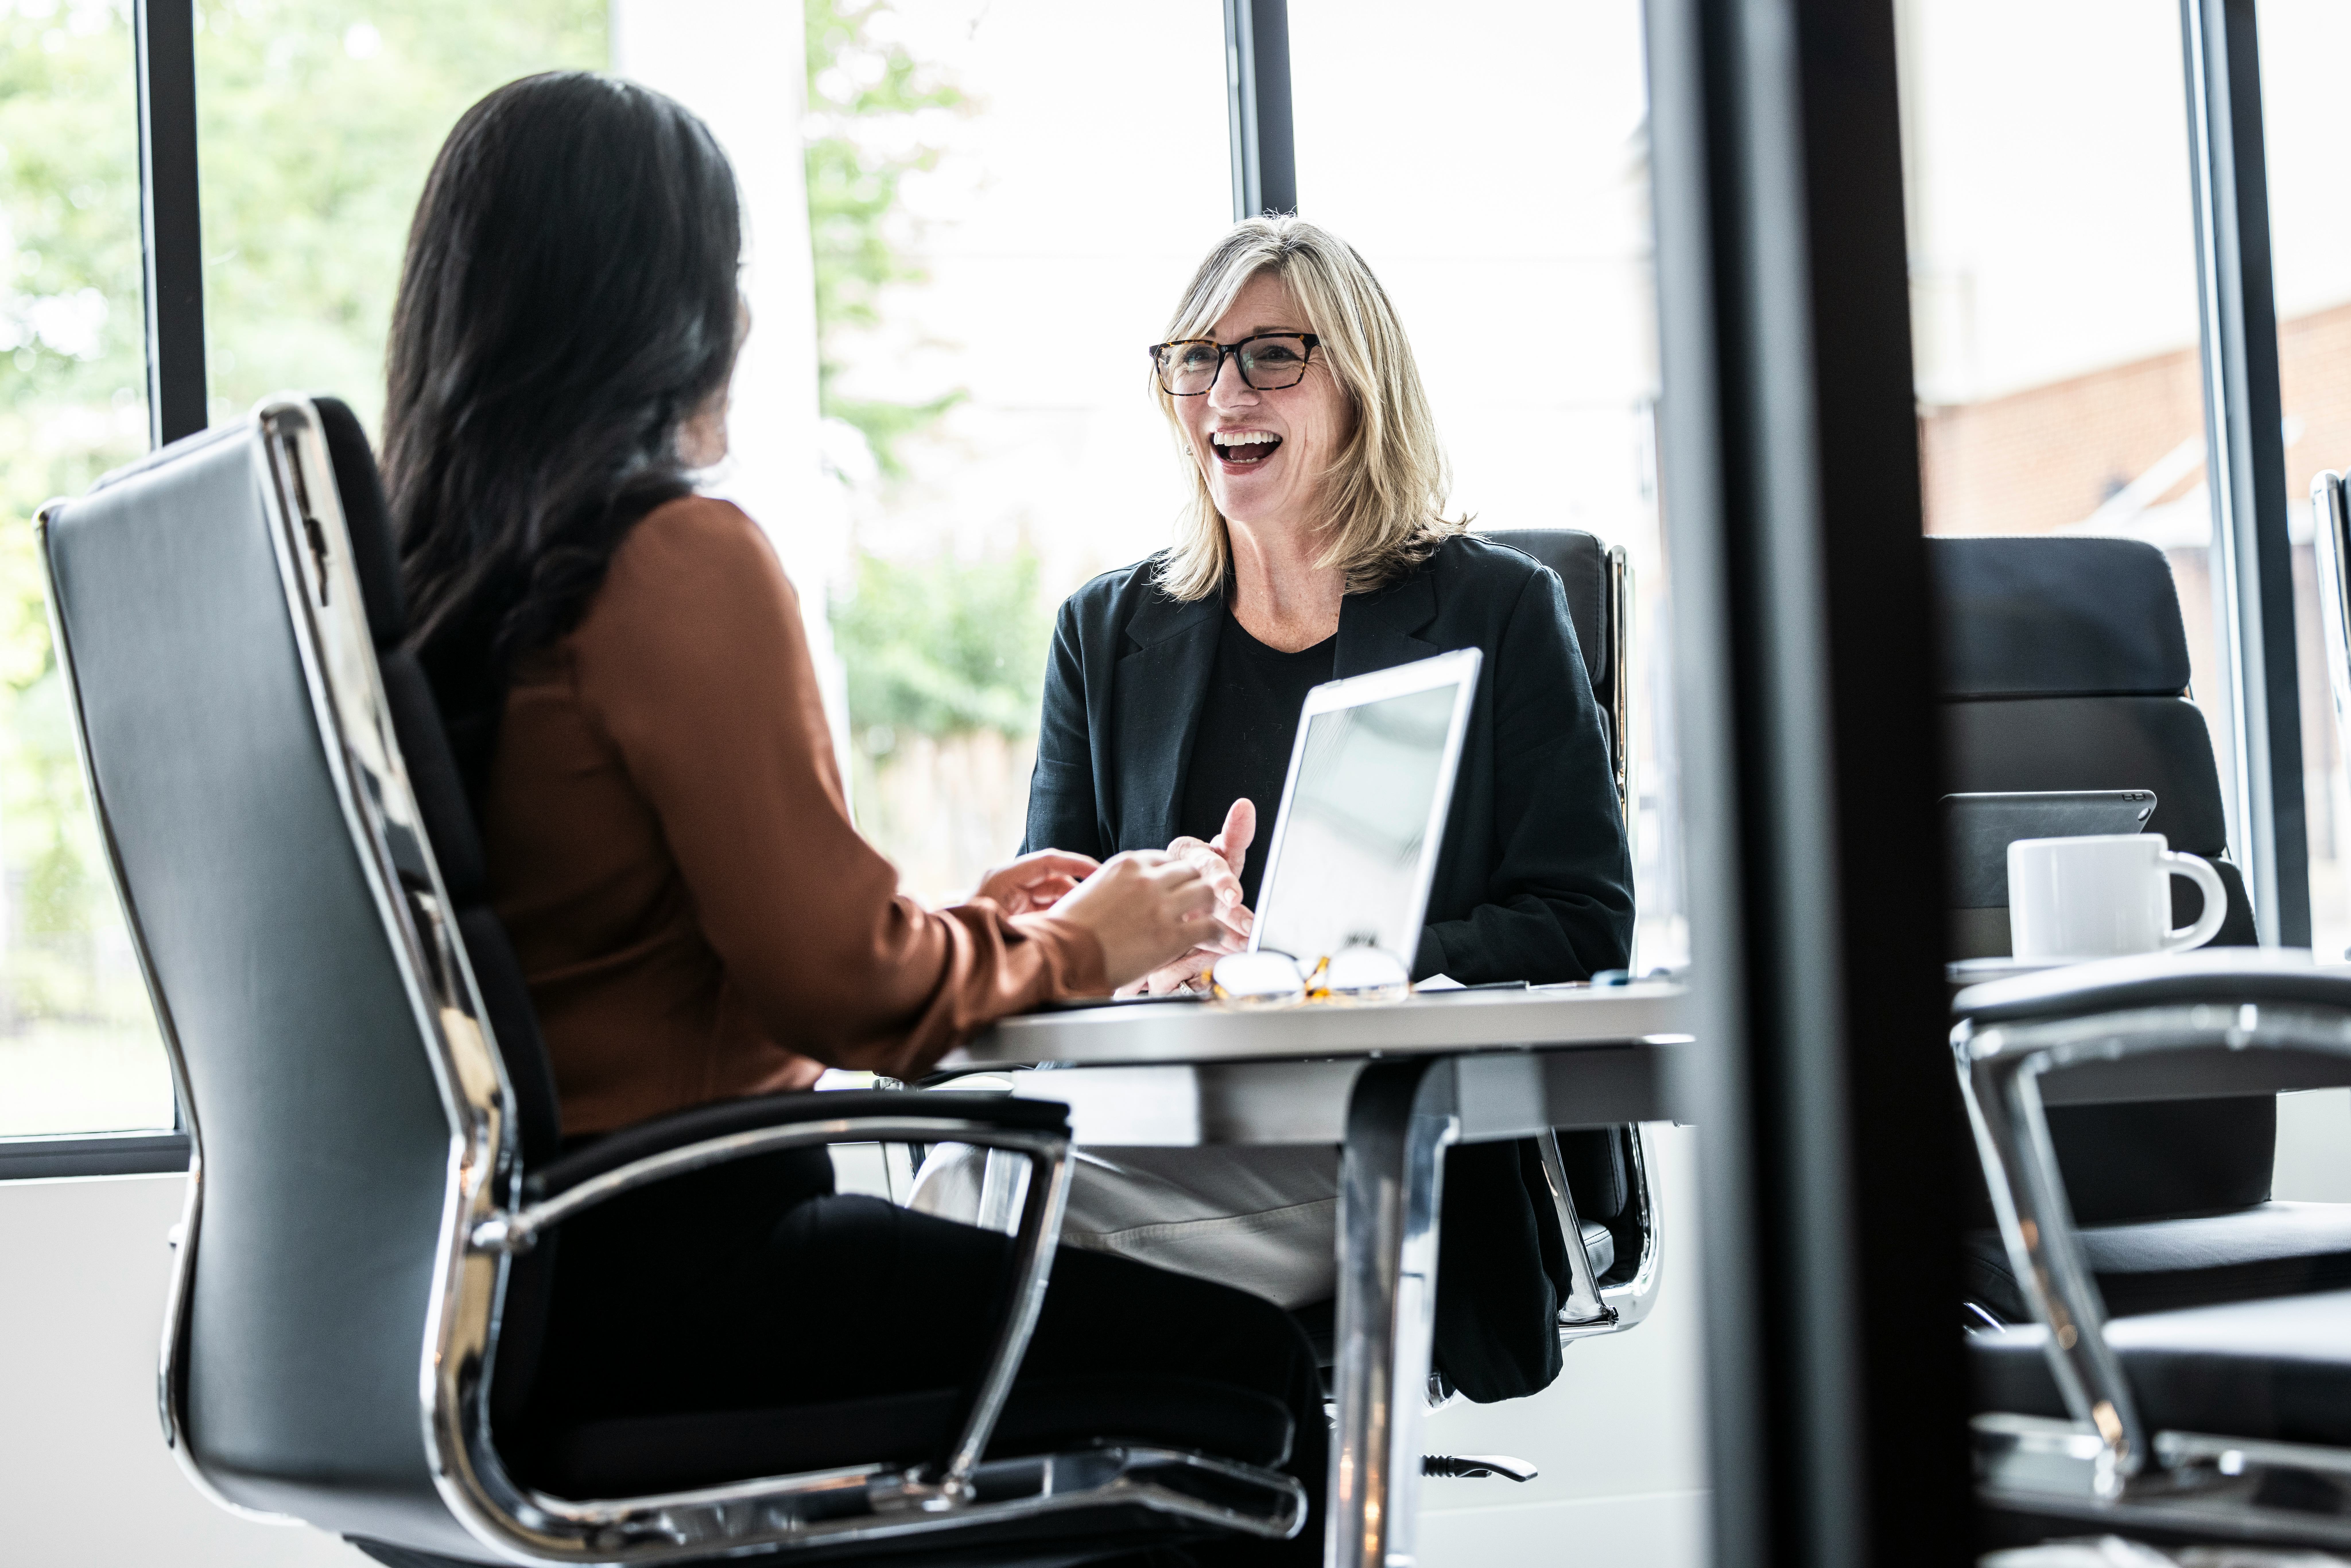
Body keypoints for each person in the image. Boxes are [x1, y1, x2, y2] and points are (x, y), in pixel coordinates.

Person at [381, 71, 1323, 1561]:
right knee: (1252, 1369)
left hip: (460, 1300)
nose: (745, 317)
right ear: (665, 308)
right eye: (727, 274)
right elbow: (845, 990)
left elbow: (643, 955)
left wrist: (962, 929)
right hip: (678, 1279)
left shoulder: (430, 594)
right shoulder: (670, 558)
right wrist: (1086, 945)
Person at [915, 216, 1634, 1404]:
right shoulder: (1105, 632)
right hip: (1162, 1123)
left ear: (1360, 385)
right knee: (966, 1180)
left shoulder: (1498, 609)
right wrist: (1134, 953)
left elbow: (1578, 922)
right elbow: (1057, 935)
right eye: (1196, 358)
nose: (1222, 392)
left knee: (988, 1222)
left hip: (1391, 1138)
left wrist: (1297, 965)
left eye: (1270, 355)